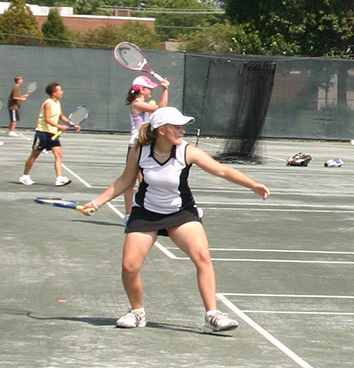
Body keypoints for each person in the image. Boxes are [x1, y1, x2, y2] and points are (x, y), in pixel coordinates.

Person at [79, 106, 269, 333]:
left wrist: (252, 185)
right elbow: (124, 180)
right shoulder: (140, 151)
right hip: (146, 212)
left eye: (182, 127)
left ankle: (212, 315)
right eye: (177, 127)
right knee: (129, 267)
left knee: (203, 257)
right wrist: (97, 202)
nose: (182, 131)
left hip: (181, 213)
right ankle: (137, 312)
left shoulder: (188, 152)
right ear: (161, 130)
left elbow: (222, 171)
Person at [122, 74, 171, 211]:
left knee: (144, 181)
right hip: (136, 146)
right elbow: (162, 108)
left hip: (146, 145)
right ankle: (129, 214)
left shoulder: (145, 104)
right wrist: (165, 89)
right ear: (142, 89)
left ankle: (145, 210)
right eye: (149, 88)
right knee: (130, 182)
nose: (151, 90)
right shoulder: (137, 104)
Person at [19, 81, 80, 186]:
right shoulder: (48, 103)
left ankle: (59, 178)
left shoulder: (57, 103)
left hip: (53, 134)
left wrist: (72, 124)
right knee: (34, 155)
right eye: (60, 90)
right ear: (54, 93)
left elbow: (61, 116)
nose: (62, 92)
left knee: (59, 154)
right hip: (42, 133)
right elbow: (47, 119)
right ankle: (25, 176)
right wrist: (60, 126)